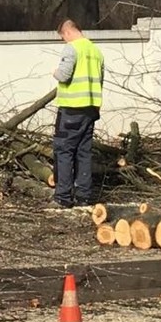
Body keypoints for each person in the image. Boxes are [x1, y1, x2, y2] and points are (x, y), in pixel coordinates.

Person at [51, 19, 104, 208]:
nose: (64, 41)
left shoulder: (72, 48)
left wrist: (54, 72)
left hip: (71, 108)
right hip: (90, 108)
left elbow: (64, 75)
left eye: (63, 38)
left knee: (64, 151)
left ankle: (63, 197)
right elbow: (100, 80)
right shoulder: (96, 51)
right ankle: (84, 196)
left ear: (67, 33)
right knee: (84, 152)